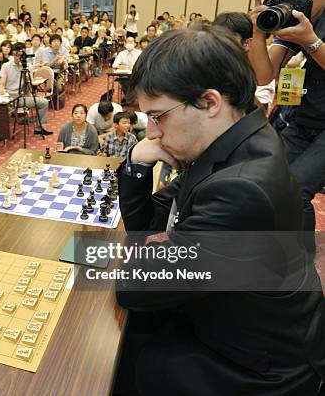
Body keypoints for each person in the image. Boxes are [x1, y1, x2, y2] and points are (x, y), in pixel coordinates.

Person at [114, 25, 325, 396]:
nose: (150, 133)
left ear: (209, 102)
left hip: (259, 367)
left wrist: (148, 252)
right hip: (226, 320)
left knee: (126, 361)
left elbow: (135, 287)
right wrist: (135, 165)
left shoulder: (241, 189)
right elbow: (149, 226)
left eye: (159, 116)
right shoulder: (234, 140)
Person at [249, 0, 325, 253]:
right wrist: (259, 31)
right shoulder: (294, 16)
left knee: (298, 187)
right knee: (269, 177)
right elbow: (263, 74)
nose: (294, 2)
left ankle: (300, 265)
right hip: (304, 117)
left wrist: (312, 41)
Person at [213, 12, 275, 112]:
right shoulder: (210, 62)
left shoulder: (262, 70)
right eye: (216, 40)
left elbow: (261, 112)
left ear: (246, 43)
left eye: (228, 41)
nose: (220, 46)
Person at [0, 42, 52, 135]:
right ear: (13, 54)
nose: (18, 58)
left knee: (44, 102)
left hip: (21, 98)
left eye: (21, 55)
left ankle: (40, 128)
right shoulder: (6, 66)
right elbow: (1, 84)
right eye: (16, 55)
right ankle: (2, 133)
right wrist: (2, 93)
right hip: (9, 97)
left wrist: (27, 75)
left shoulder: (27, 67)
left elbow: (28, 86)